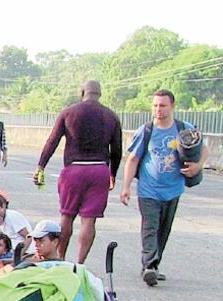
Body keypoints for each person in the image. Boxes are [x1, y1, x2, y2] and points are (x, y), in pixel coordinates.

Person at [120, 89, 209, 287]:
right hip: (148, 189)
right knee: (149, 228)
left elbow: (204, 148)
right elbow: (132, 159)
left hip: (173, 189)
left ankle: (152, 266)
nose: (158, 109)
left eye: (163, 105)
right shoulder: (146, 130)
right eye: (155, 105)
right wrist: (126, 187)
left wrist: (199, 165)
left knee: (163, 230)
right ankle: (150, 265)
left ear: (172, 106)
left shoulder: (184, 129)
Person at [35, 81, 122, 264]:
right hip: (99, 170)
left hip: (74, 169)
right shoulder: (111, 116)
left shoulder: (69, 112)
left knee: (67, 216)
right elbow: (117, 149)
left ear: (83, 92)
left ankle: (60, 257)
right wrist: (112, 173)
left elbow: (52, 141)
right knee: (88, 221)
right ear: (99, 94)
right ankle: (80, 263)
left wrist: (41, 165)